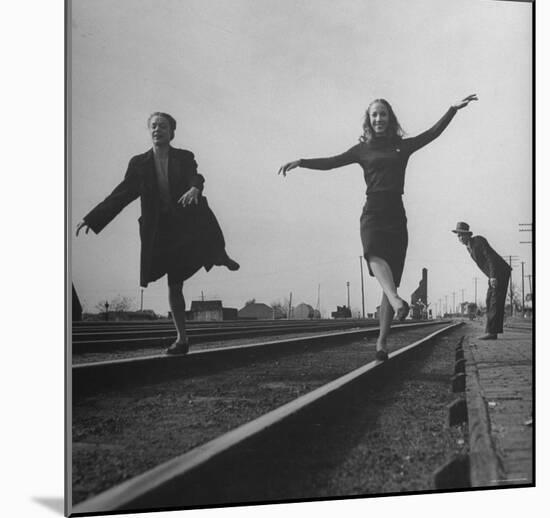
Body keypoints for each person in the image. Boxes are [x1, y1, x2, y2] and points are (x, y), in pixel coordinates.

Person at [279, 95, 477, 361]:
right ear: (368, 120)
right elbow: (332, 161)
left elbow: (432, 134)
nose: (378, 119)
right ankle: (397, 302)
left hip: (396, 215)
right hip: (372, 213)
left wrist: (452, 109)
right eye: (374, 115)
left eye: (383, 114)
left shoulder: (402, 146)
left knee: (390, 282)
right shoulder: (362, 150)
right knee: (372, 254)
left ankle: (382, 343)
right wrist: (302, 162)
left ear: (389, 118)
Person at [76, 112, 239, 355]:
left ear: (171, 132)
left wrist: (194, 188)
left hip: (187, 226)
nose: (157, 129)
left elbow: (196, 175)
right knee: (174, 285)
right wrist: (93, 217)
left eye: (162, 126)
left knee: (205, 227)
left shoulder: (184, 157)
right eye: (153, 126)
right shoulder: (139, 164)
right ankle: (182, 340)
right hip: (161, 233)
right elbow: (121, 195)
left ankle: (219, 255)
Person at [452, 221, 511, 340]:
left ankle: (492, 333)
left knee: (495, 300)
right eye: (458, 235)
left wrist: (493, 276)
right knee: (489, 300)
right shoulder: (469, 248)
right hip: (493, 274)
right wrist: (491, 276)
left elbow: (490, 258)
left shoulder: (478, 241)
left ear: (468, 234)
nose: (459, 238)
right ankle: (492, 331)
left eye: (461, 235)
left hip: (500, 272)